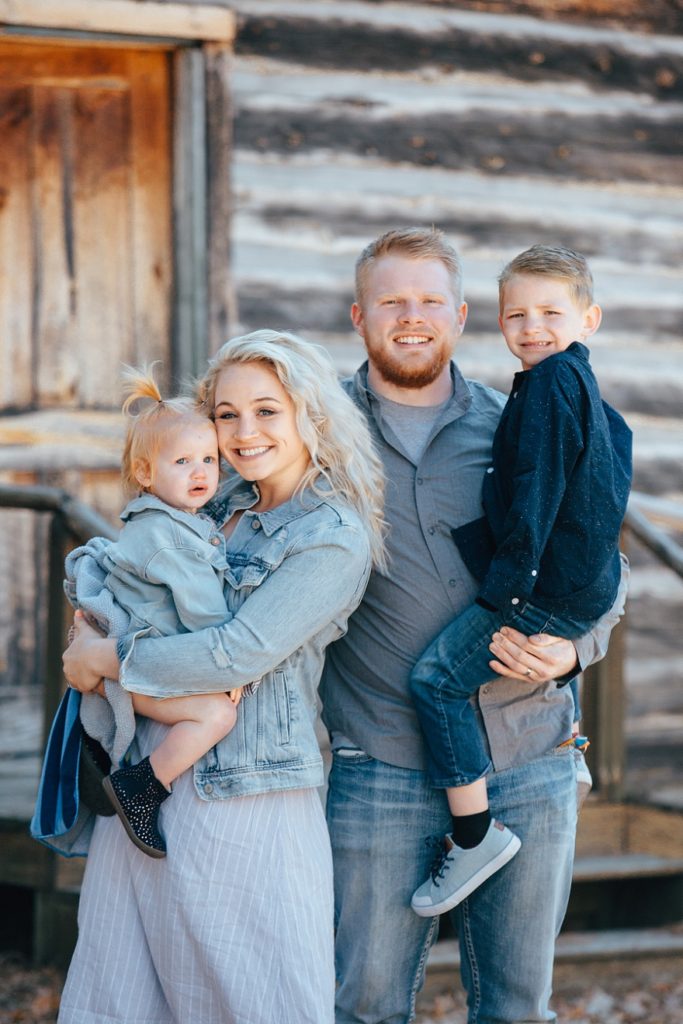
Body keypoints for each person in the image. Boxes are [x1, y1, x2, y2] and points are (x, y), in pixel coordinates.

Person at [320, 228, 629, 1024]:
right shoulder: (314, 438)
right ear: (359, 315)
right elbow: (219, 527)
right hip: (379, 761)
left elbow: (603, 560)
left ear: (460, 316)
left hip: (528, 760)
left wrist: (570, 652)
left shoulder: (519, 423)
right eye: (391, 300)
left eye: (429, 301)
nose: (411, 316)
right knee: (364, 1005)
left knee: (516, 1011)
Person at [58, 329, 385, 1024]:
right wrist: (90, 622)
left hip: (244, 789)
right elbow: (132, 576)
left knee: (256, 997)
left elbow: (238, 652)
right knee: (119, 992)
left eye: (266, 410)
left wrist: (107, 662)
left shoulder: (331, 536)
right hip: (138, 774)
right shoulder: (210, 496)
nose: (243, 431)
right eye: (227, 413)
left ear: (307, 412)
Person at [408, 245, 632, 917]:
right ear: (498, 322)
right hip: (572, 585)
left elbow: (536, 493)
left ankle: (473, 835)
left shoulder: (550, 385)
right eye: (516, 315)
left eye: (549, 313)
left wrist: (508, 595)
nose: (531, 327)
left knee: (436, 680)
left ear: (587, 317)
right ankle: (565, 753)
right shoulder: (583, 391)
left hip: (542, 589)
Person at [65, 365, 245, 859]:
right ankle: (142, 786)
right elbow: (203, 608)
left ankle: (122, 768)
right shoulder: (166, 537)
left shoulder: (177, 521)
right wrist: (233, 667)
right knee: (215, 713)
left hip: (145, 656)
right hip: (141, 665)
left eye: (209, 459)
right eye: (183, 461)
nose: (201, 472)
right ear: (145, 473)